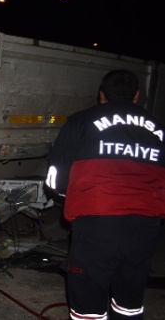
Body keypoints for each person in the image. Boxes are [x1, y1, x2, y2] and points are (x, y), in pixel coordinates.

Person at [46, 70, 165, 320]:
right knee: (129, 303)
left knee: (88, 305)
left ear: (101, 95)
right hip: (146, 226)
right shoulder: (159, 129)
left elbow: (56, 180)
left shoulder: (81, 121)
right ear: (136, 96)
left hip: (97, 224)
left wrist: (68, 196)